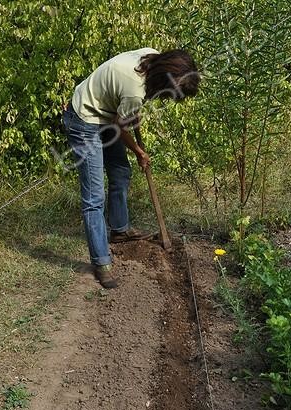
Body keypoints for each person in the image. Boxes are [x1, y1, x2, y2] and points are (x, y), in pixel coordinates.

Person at [63, 48, 200, 288]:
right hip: (85, 120)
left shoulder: (151, 57)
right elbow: (120, 126)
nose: (166, 98)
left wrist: (129, 114)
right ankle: (101, 262)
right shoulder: (134, 91)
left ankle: (119, 229)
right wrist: (138, 151)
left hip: (106, 111)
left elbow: (123, 114)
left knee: (120, 171)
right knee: (94, 197)